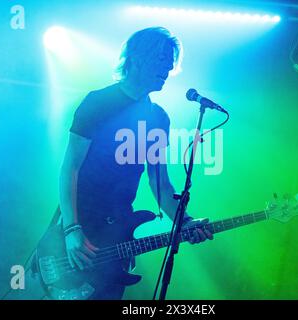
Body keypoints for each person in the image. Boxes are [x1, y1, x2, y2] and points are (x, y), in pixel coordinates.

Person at [59, 27, 213, 299]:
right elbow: (70, 167)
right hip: (83, 224)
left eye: (171, 61)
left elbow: (160, 184)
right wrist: (72, 229)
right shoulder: (98, 103)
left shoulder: (158, 118)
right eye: (162, 58)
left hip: (119, 231)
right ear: (137, 58)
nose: (168, 66)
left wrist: (185, 222)